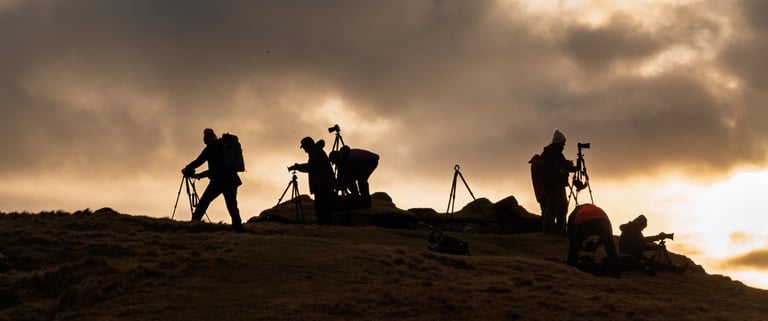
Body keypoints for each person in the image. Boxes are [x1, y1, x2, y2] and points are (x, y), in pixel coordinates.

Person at [182, 128, 243, 233]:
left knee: (204, 202)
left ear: (206, 139)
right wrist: (200, 175)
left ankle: (194, 223)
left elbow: (199, 161)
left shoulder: (210, 148)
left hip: (218, 181)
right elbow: (215, 169)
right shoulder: (222, 145)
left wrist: (187, 169)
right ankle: (238, 229)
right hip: (231, 179)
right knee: (232, 206)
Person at [288, 137, 335, 225]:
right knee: (322, 206)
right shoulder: (316, 152)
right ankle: (324, 224)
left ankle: (325, 225)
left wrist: (298, 167)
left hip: (323, 185)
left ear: (308, 146)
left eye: (305, 148)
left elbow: (311, 167)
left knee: (322, 207)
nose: (305, 150)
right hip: (323, 185)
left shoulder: (316, 153)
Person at [619, 215, 687, 273]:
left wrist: (656, 246)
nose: (642, 229)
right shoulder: (631, 231)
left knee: (654, 264)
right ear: (640, 224)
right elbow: (642, 242)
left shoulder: (630, 229)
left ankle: (676, 268)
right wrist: (658, 237)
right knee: (655, 265)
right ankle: (677, 269)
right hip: (631, 257)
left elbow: (641, 244)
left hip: (633, 255)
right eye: (642, 227)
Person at [541, 129, 576, 234]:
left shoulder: (554, 153)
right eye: (563, 144)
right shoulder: (551, 153)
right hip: (553, 185)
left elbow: (562, 165)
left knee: (562, 207)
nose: (563, 146)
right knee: (553, 208)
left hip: (558, 184)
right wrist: (564, 169)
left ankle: (559, 230)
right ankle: (549, 231)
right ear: (558, 143)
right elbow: (554, 169)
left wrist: (569, 167)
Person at [566, 203, 618, 270]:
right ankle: (615, 269)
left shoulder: (575, 212)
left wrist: (578, 245)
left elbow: (570, 233)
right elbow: (606, 236)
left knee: (574, 245)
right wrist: (597, 244)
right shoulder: (596, 208)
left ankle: (571, 264)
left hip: (585, 221)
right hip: (605, 221)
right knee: (610, 246)